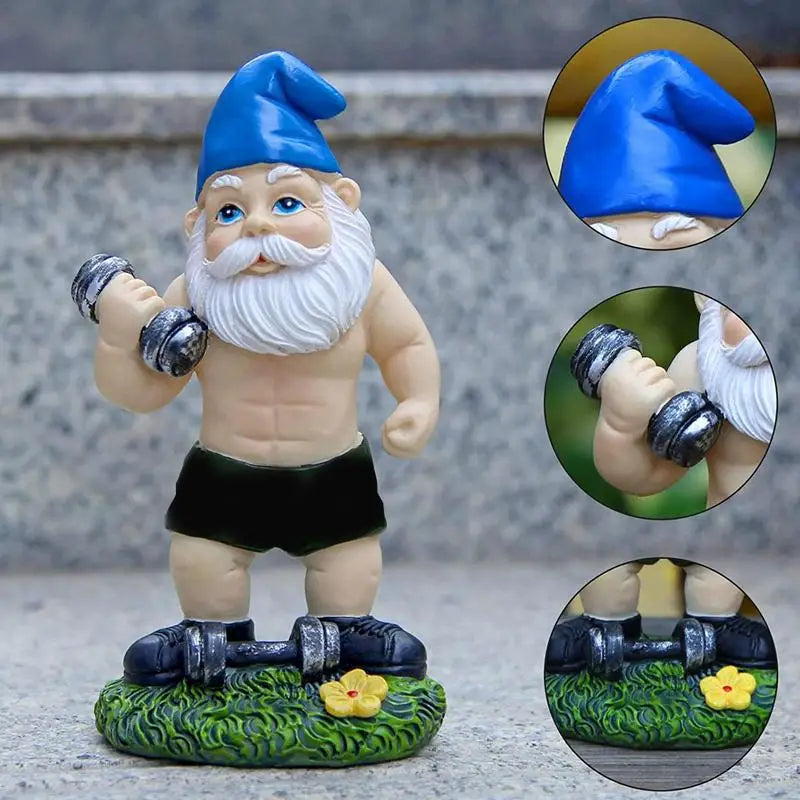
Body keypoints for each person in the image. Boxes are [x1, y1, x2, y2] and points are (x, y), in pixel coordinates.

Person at [91, 52, 440, 685]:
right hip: (226, 471)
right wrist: (120, 340)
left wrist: (417, 400)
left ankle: (345, 632)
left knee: (348, 560)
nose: (255, 224)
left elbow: (407, 346)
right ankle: (213, 634)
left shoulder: (363, 286)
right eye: (228, 212)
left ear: (341, 203)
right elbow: (144, 393)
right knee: (204, 559)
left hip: (332, 469)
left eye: (286, 202)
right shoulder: (192, 297)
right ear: (196, 225)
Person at [557, 50, 755, 249]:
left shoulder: (626, 89)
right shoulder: (665, 68)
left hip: (590, 203)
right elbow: (736, 122)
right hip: (682, 196)